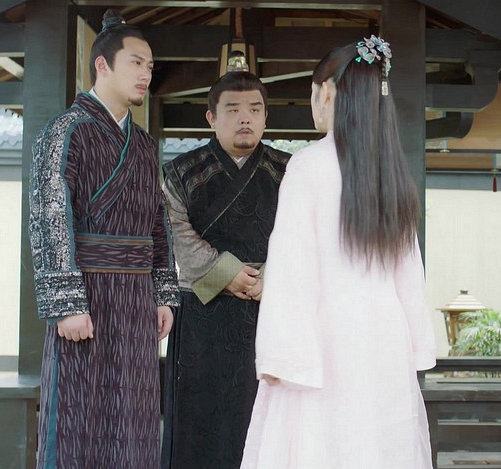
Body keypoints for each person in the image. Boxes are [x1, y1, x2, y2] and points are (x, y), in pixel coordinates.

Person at [241, 35, 437, 468]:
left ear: (326, 92)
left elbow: (293, 270)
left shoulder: (308, 165)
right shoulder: (393, 172)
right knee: (380, 446)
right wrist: (417, 344)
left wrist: (278, 353)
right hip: (386, 339)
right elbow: (409, 273)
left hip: (325, 338)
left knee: (321, 446)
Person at [28, 9, 178, 469]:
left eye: (150, 66)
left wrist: (163, 294)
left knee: (134, 419)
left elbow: (157, 221)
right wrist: (67, 304)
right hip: (86, 296)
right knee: (78, 417)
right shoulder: (65, 131)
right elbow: (50, 215)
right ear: (102, 65)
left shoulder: (145, 145)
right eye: (136, 63)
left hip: (135, 300)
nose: (145, 74)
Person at [160, 71, 291, 469]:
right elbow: (175, 231)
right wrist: (225, 273)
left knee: (267, 422)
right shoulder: (180, 171)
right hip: (201, 317)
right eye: (232, 110)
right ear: (211, 118)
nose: (244, 118)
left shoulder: (290, 171)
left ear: (266, 117)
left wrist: (274, 277)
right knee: (198, 424)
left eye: (254, 109)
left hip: (271, 309)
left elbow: (304, 234)